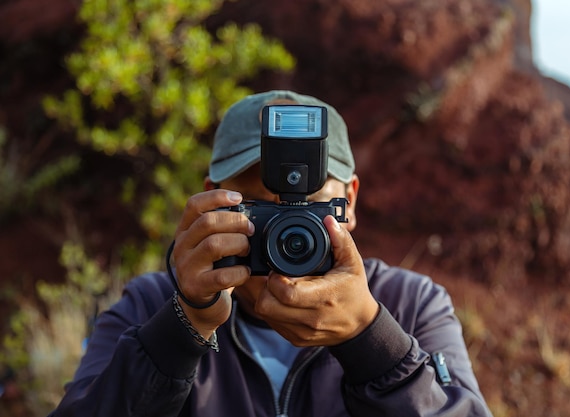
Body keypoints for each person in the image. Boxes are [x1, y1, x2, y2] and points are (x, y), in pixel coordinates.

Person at [49, 90, 493, 416]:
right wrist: (185, 326)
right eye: (258, 207)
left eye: (308, 206)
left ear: (349, 202)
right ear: (211, 202)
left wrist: (369, 340)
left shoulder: (410, 305)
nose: (286, 230)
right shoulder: (151, 306)